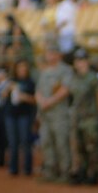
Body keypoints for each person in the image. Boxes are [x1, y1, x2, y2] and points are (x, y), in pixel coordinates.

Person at [35, 44, 73, 181]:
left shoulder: (66, 70)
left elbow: (65, 89)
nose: (49, 56)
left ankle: (65, 172)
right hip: (45, 114)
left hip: (59, 113)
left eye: (52, 53)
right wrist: (41, 102)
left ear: (58, 54)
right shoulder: (44, 72)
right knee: (46, 142)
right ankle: (50, 171)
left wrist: (49, 101)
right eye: (48, 53)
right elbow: (38, 91)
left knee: (61, 142)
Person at [69, 49, 98, 185]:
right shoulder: (74, 78)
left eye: (83, 60)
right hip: (77, 117)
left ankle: (93, 173)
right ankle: (81, 172)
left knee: (92, 148)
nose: (80, 63)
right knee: (79, 147)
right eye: (78, 61)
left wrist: (96, 115)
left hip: (90, 118)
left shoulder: (92, 78)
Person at [2, 59, 36, 176]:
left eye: (24, 67)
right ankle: (13, 167)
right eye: (20, 67)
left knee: (25, 141)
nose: (22, 69)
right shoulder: (11, 81)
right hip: (10, 114)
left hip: (24, 115)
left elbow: (34, 99)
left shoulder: (30, 82)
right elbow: (3, 96)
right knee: (13, 142)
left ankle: (27, 168)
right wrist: (8, 88)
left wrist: (23, 97)